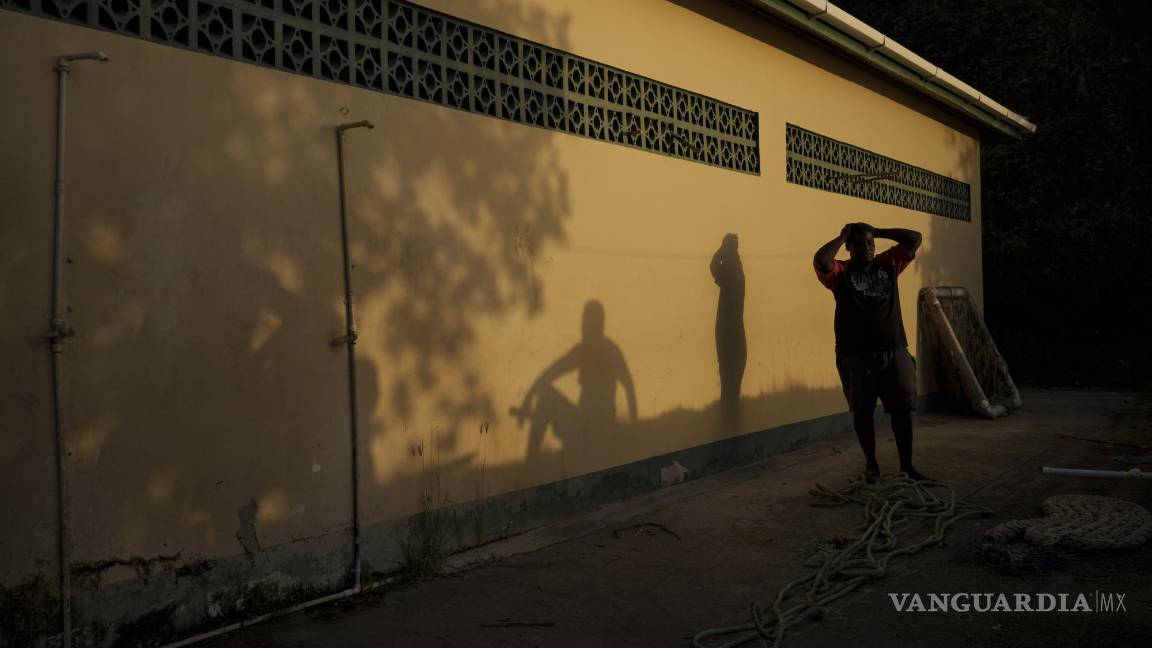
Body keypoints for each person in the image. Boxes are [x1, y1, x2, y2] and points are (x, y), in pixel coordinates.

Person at [813, 222, 927, 482]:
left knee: (902, 410)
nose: (866, 248)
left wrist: (879, 231)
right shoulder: (841, 272)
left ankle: (906, 466)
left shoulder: (888, 264)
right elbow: (821, 259)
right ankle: (871, 466)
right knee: (862, 412)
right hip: (855, 355)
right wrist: (842, 235)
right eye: (859, 243)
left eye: (869, 243)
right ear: (849, 247)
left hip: (894, 351)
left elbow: (915, 238)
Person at [710, 233, 746, 433]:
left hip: (728, 337)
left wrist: (720, 250)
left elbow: (713, 267)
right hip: (736, 338)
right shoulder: (738, 270)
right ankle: (732, 424)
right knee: (733, 387)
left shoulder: (731, 271)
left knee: (728, 386)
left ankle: (728, 426)